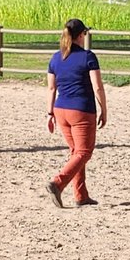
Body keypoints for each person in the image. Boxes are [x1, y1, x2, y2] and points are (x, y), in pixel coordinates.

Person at [45, 18, 107, 208]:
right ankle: (58, 183)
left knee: (76, 152)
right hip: (81, 110)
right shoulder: (88, 57)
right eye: (85, 33)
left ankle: (81, 195)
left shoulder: (56, 58)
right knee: (84, 152)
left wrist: (49, 113)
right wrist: (104, 109)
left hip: (60, 110)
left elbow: (51, 88)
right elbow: (97, 87)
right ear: (81, 35)